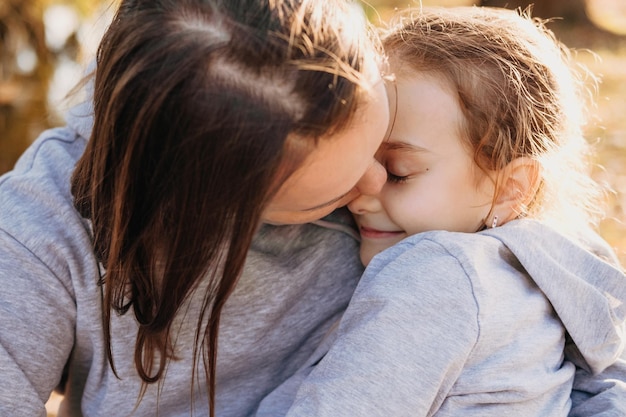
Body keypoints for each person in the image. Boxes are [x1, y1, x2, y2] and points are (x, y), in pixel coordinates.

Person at [0, 0, 390, 416]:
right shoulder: (38, 228)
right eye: (331, 197)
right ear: (211, 203)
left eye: (392, 150)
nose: (380, 184)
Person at [254, 6, 626, 417]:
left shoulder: (434, 274)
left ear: (510, 187)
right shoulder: (563, 261)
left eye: (398, 173)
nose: (360, 193)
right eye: (359, 156)